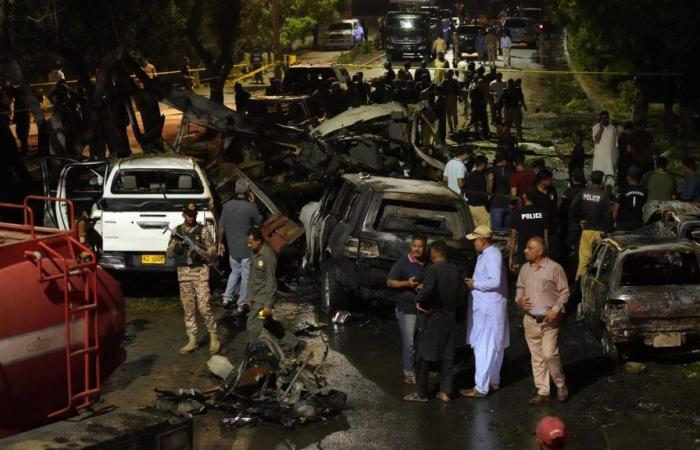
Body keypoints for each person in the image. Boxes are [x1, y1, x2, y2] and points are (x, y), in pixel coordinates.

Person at [403, 241, 461, 402]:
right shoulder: (455, 269)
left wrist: (418, 299)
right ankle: (445, 392)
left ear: (434, 254)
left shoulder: (433, 269)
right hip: (450, 316)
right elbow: (461, 292)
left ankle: (421, 392)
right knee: (448, 356)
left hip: (434, 315)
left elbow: (428, 290)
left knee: (424, 354)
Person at [516, 237, 569, 405]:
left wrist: (556, 308)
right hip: (530, 320)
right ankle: (543, 390)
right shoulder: (525, 268)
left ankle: (560, 384)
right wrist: (519, 300)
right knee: (537, 357)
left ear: (540, 251)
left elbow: (565, 292)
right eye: (526, 247)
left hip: (549, 321)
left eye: (529, 248)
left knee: (549, 354)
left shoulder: (554, 268)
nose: (525, 250)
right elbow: (520, 288)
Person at [461, 226, 509, 397]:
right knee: (494, 344)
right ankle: (493, 379)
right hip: (489, 306)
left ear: (483, 240)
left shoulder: (492, 256)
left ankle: (481, 387)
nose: (473, 243)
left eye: (475, 239)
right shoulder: (488, 254)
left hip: (488, 307)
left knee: (484, 346)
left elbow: (495, 281)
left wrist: (475, 285)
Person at [166, 202, 220, 355]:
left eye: (194, 214)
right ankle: (192, 339)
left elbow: (212, 250)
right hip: (184, 274)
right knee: (188, 309)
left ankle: (214, 336)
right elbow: (168, 253)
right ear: (183, 214)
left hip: (200, 273)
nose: (192, 217)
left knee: (204, 306)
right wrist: (177, 247)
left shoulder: (202, 231)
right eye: (189, 215)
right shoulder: (177, 231)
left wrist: (203, 252)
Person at [244, 227, 299, 350]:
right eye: (247, 242)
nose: (248, 245)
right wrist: (249, 296)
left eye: (251, 242)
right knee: (267, 323)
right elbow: (253, 278)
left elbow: (271, 282)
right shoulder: (255, 252)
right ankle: (293, 343)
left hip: (263, 300)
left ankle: (247, 356)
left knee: (252, 325)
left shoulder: (267, 257)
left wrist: (268, 305)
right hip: (256, 297)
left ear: (259, 241)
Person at [387, 234, 428, 385]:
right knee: (410, 342)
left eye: (420, 246)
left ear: (425, 247)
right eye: (415, 246)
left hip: (424, 308)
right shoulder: (402, 263)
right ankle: (409, 372)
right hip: (407, 308)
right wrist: (407, 283)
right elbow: (390, 282)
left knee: (421, 341)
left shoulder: (427, 263)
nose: (417, 249)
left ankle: (422, 369)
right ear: (411, 246)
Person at [217, 179, 262, 313]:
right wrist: (254, 204)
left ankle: (226, 298)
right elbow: (259, 222)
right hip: (246, 248)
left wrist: (220, 243)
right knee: (245, 275)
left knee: (234, 272)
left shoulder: (227, 206)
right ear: (248, 192)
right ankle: (241, 303)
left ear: (236, 191)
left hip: (232, 247)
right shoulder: (250, 207)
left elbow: (221, 227)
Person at [570, 170, 612, 281]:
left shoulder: (583, 192)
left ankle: (578, 286)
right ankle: (597, 282)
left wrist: (579, 220)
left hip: (587, 230)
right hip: (600, 232)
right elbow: (608, 215)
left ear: (590, 180)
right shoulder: (604, 195)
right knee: (599, 261)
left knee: (584, 260)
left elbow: (573, 208)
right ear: (602, 181)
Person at [510, 187, 549, 272]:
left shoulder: (517, 213)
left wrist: (511, 256)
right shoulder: (543, 213)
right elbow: (546, 235)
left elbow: (513, 237)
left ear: (524, 196)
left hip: (524, 253)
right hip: (539, 253)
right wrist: (547, 253)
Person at [613, 166, 647, 231]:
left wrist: (612, 222)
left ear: (628, 177)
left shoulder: (622, 190)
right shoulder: (644, 191)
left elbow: (616, 208)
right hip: (638, 224)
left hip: (623, 224)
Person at [465, 155, 492, 228]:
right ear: (483, 164)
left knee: (474, 228)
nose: (486, 166)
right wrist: (486, 204)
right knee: (485, 229)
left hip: (470, 206)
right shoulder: (481, 177)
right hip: (479, 206)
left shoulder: (470, 175)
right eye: (486, 164)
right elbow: (483, 193)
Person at [591, 111, 618, 184]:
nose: (604, 120)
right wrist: (601, 129)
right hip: (599, 161)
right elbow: (596, 140)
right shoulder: (595, 127)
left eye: (606, 118)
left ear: (608, 118)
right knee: (599, 180)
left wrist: (616, 159)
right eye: (602, 118)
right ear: (600, 119)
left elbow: (616, 144)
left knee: (610, 181)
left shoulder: (613, 128)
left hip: (611, 161)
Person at [490, 152, 513, 229]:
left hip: (496, 204)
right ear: (503, 161)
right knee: (507, 231)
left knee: (497, 231)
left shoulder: (491, 170)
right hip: (508, 204)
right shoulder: (510, 172)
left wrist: (489, 193)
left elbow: (490, 178)